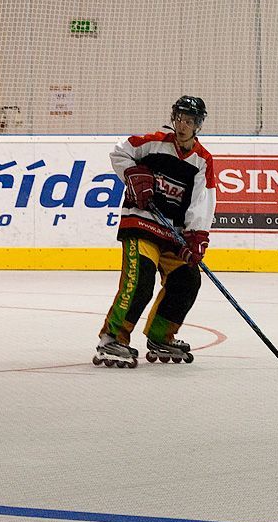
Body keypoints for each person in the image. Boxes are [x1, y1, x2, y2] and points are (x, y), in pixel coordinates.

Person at [95, 96, 216, 367]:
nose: (183, 125)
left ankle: (161, 335)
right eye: (180, 118)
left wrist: (195, 237)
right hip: (142, 223)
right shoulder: (153, 142)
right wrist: (132, 173)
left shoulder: (202, 160)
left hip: (172, 233)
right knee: (141, 279)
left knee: (187, 279)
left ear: (198, 125)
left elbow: (202, 200)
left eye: (189, 121)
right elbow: (119, 153)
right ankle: (112, 338)